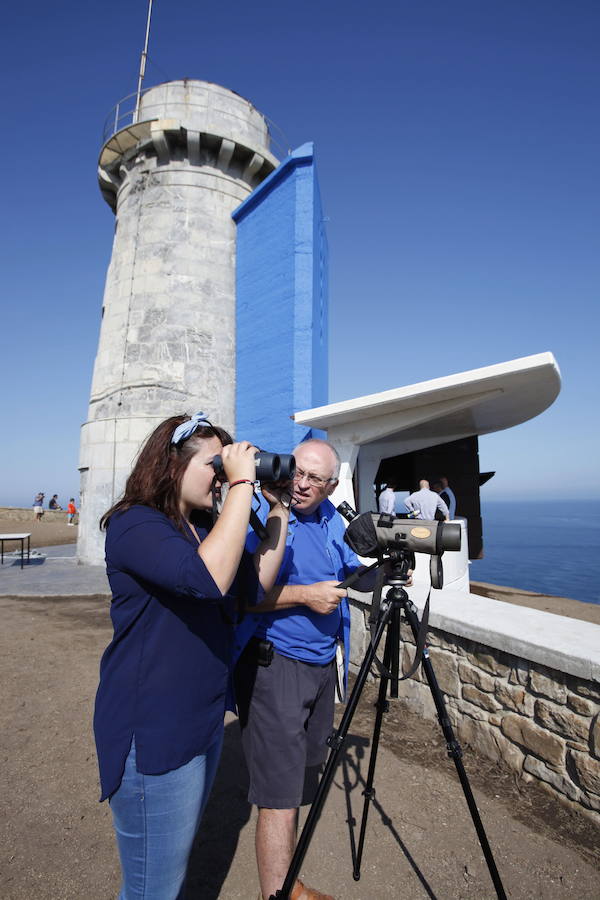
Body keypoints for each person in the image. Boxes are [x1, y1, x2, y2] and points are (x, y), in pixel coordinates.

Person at [93, 412, 291, 900]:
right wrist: (243, 480)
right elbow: (208, 580)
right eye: (215, 465)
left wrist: (277, 512)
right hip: (154, 728)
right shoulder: (134, 524)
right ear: (171, 465)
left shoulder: (204, 527)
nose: (223, 477)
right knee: (151, 889)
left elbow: (252, 586)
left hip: (200, 721)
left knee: (169, 875)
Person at [234, 438, 368, 900]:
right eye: (298, 472)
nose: (302, 484)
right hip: (276, 666)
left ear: (332, 486)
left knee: (299, 779)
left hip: (318, 668)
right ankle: (276, 895)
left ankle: (288, 885)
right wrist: (305, 595)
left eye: (316, 478)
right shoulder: (266, 516)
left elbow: (350, 567)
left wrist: (388, 570)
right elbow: (244, 595)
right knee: (279, 796)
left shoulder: (331, 518)